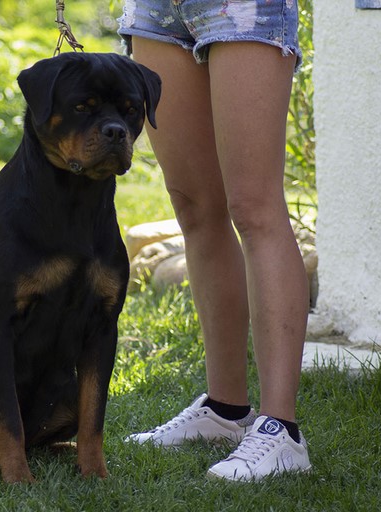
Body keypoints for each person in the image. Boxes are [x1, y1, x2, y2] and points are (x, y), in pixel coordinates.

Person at [118, 0, 312, 481]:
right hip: (156, 9)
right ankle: (225, 412)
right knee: (193, 206)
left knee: (254, 207)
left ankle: (281, 430)